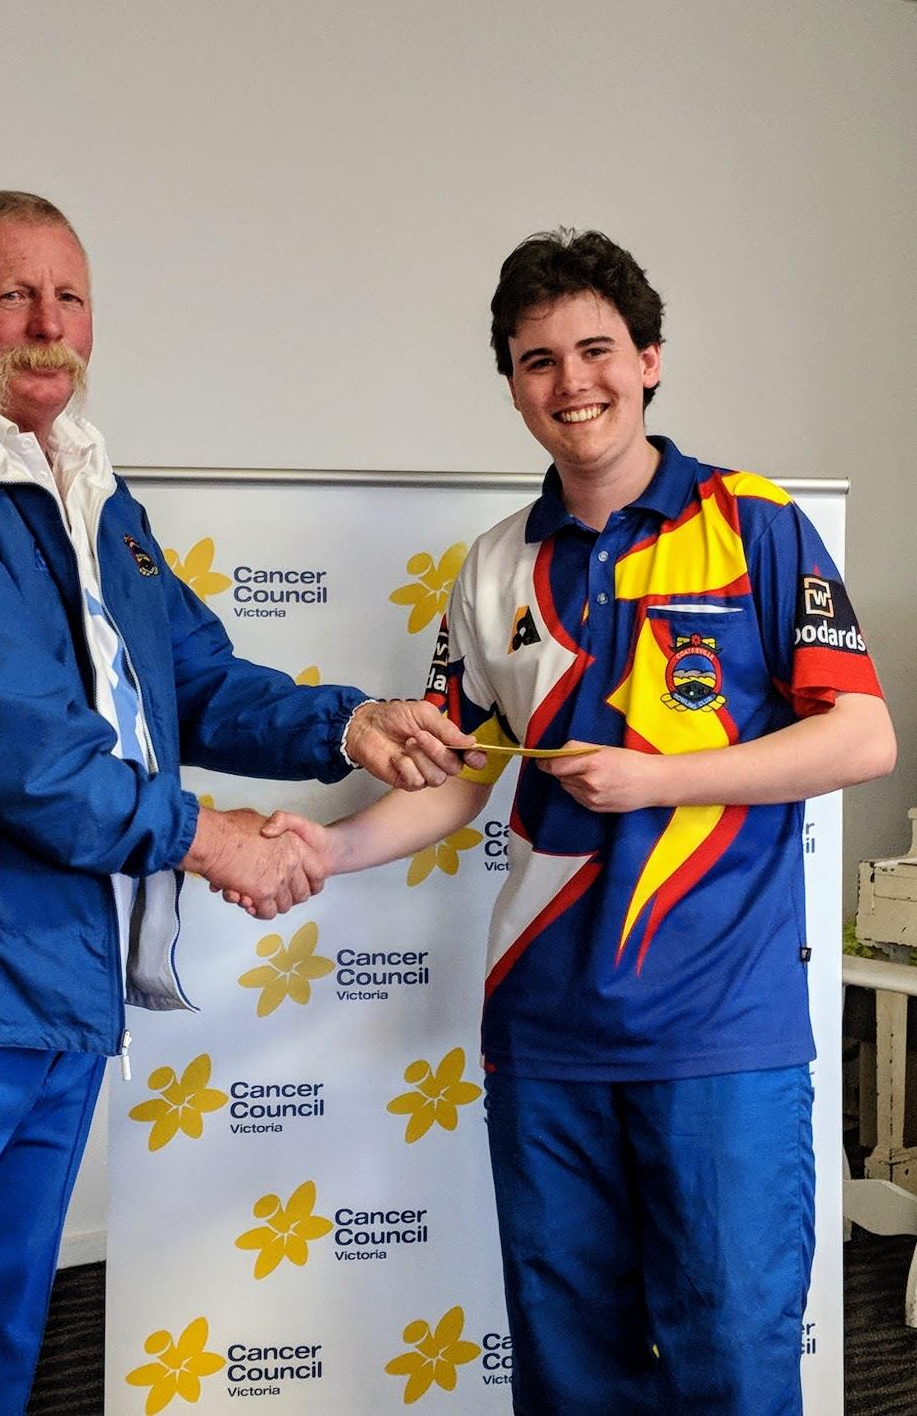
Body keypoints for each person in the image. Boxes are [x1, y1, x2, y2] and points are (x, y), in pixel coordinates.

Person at [0, 189, 477, 1415]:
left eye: (72, 295)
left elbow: (187, 674)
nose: (50, 325)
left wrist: (346, 721)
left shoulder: (94, 490)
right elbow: (22, 746)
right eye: (12, 295)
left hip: (48, 994)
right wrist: (210, 838)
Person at [263, 229, 896, 1415]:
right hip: (543, 1025)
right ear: (511, 382)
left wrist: (661, 779)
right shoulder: (495, 565)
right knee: (569, 1370)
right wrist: (333, 847)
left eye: (596, 349)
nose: (572, 383)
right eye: (536, 359)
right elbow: (456, 773)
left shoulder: (755, 523)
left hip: (720, 1027)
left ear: (650, 358)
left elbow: (862, 737)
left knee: (734, 1362)